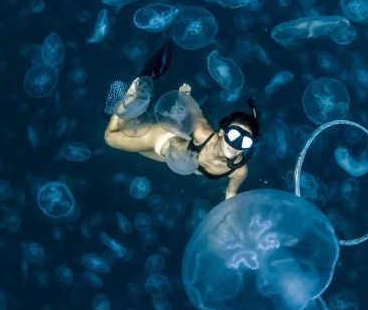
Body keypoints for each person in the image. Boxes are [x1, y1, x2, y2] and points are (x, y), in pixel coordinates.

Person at [103, 43, 259, 200]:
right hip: (163, 140)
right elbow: (197, 113)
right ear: (222, 132)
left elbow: (231, 194)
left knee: (133, 141)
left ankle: (131, 113)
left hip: (169, 158)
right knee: (110, 137)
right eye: (234, 135)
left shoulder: (240, 171)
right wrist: (185, 96)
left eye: (245, 141)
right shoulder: (203, 135)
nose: (235, 145)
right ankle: (131, 95)